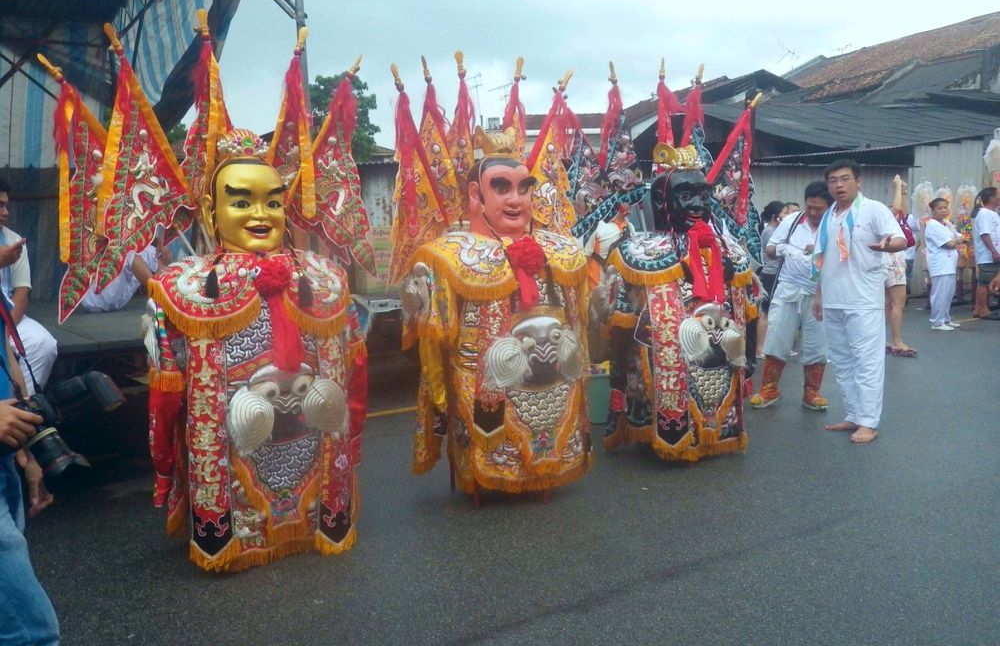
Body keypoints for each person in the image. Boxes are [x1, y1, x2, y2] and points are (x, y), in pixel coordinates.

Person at [144, 131, 368, 572]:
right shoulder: (179, 288)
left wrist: (353, 430)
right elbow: (166, 397)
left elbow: (355, 374)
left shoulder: (328, 278)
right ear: (211, 211)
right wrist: (166, 465)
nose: (261, 215)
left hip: (314, 432)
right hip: (230, 450)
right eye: (242, 201)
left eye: (273, 201)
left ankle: (318, 521)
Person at [400, 127, 591, 502]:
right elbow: (431, 342)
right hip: (482, 380)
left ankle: (546, 473)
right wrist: (440, 397)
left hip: (553, 378)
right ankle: (482, 480)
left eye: (524, 188)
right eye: (501, 188)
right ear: (476, 195)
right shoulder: (447, 256)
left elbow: (578, 322)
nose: (516, 200)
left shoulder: (561, 250)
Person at [599, 143, 757, 462]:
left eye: (703, 193)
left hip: (717, 356)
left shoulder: (730, 251)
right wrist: (616, 374)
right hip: (658, 360)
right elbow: (620, 320)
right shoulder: (636, 254)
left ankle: (712, 436)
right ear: (660, 200)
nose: (699, 203)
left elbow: (747, 313)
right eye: (686, 195)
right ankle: (656, 435)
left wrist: (748, 357)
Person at [811, 159, 905, 444]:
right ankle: (853, 414)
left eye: (845, 179)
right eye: (833, 181)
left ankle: (868, 422)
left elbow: (900, 239)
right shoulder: (829, 215)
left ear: (858, 181)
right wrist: (818, 295)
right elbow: (822, 257)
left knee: (867, 362)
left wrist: (888, 244)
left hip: (863, 300)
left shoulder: (873, 210)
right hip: (833, 299)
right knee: (841, 361)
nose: (839, 185)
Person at [0, 316, 60, 645]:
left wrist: (32, 452)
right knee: (31, 633)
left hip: (5, 461)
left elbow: (6, 359)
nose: (18, 260)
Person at [750, 181, 832, 410]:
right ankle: (769, 390)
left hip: (821, 293)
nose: (814, 213)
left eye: (819, 209)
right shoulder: (792, 221)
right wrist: (782, 249)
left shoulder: (836, 225)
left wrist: (820, 250)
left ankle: (812, 393)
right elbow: (770, 250)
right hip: (788, 288)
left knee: (817, 343)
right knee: (777, 337)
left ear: (830, 207)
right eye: (810, 207)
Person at [0, 181, 58, 396]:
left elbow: (21, 294)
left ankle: (23, 405)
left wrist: (5, 332)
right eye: (0, 205)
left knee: (43, 343)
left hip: (9, 319)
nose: (6, 212)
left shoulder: (13, 241)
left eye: (6, 205)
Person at [80, 233, 169, 313]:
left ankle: (172, 294)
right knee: (128, 250)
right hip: (96, 297)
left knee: (158, 254)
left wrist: (159, 243)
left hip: (116, 295)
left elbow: (138, 233)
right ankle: (160, 294)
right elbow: (122, 236)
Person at [885, 176, 917, 356]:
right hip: (892, 260)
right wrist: (897, 186)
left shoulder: (895, 219)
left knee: (887, 303)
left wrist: (903, 190)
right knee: (897, 303)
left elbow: (902, 209)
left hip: (887, 260)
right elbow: (897, 209)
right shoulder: (886, 218)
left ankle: (885, 339)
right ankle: (897, 340)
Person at [924, 197, 964, 331]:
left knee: (948, 293)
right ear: (933, 210)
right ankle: (936, 321)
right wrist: (956, 240)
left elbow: (962, 237)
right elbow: (949, 244)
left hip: (950, 264)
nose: (943, 210)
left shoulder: (946, 223)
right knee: (940, 293)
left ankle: (945, 318)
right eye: (939, 208)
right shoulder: (932, 225)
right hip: (940, 264)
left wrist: (956, 239)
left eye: (945, 207)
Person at [756, 200, 789, 357]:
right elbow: (775, 254)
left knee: (774, 311)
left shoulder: (777, 230)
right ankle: (760, 348)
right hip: (770, 274)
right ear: (776, 216)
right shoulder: (770, 232)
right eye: (785, 213)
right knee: (766, 312)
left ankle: (770, 345)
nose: (788, 216)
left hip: (776, 273)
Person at [970, 187, 1000, 318]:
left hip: (992, 254)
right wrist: (993, 251)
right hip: (988, 255)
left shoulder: (992, 213)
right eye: (998, 194)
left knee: (985, 280)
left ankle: (978, 308)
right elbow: (984, 234)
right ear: (992, 198)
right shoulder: (984, 214)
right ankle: (984, 310)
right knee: (985, 282)